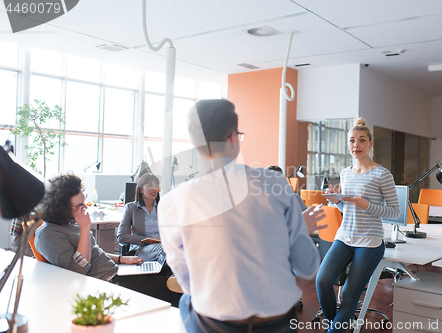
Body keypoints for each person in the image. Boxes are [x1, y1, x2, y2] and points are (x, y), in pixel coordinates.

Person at [158, 99, 323, 333]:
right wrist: (298, 233)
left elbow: (186, 279)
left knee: (187, 302)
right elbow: (307, 267)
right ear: (233, 137)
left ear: (194, 143)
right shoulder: (276, 184)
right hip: (276, 323)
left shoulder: (171, 203)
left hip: (214, 324)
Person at [34, 174, 182, 306]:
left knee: (167, 270)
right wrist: (85, 229)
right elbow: (77, 271)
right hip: (107, 282)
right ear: (61, 207)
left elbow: (93, 252)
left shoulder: (68, 222)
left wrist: (121, 259)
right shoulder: (47, 234)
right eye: (79, 205)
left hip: (116, 271)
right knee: (174, 290)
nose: (84, 207)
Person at [315, 118, 400, 333]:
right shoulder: (345, 172)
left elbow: (395, 212)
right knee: (322, 280)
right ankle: (336, 326)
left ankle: (335, 329)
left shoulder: (383, 174)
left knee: (350, 295)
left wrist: (368, 205)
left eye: (362, 140)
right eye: (352, 141)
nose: (356, 145)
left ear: (371, 144)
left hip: (370, 242)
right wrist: (337, 200)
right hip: (345, 237)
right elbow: (347, 208)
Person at [117, 173, 169, 271]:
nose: (154, 189)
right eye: (150, 185)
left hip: (163, 246)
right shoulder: (131, 208)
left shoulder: (164, 208)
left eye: (156, 186)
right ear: (141, 189)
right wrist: (148, 239)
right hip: (142, 249)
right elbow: (121, 236)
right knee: (168, 248)